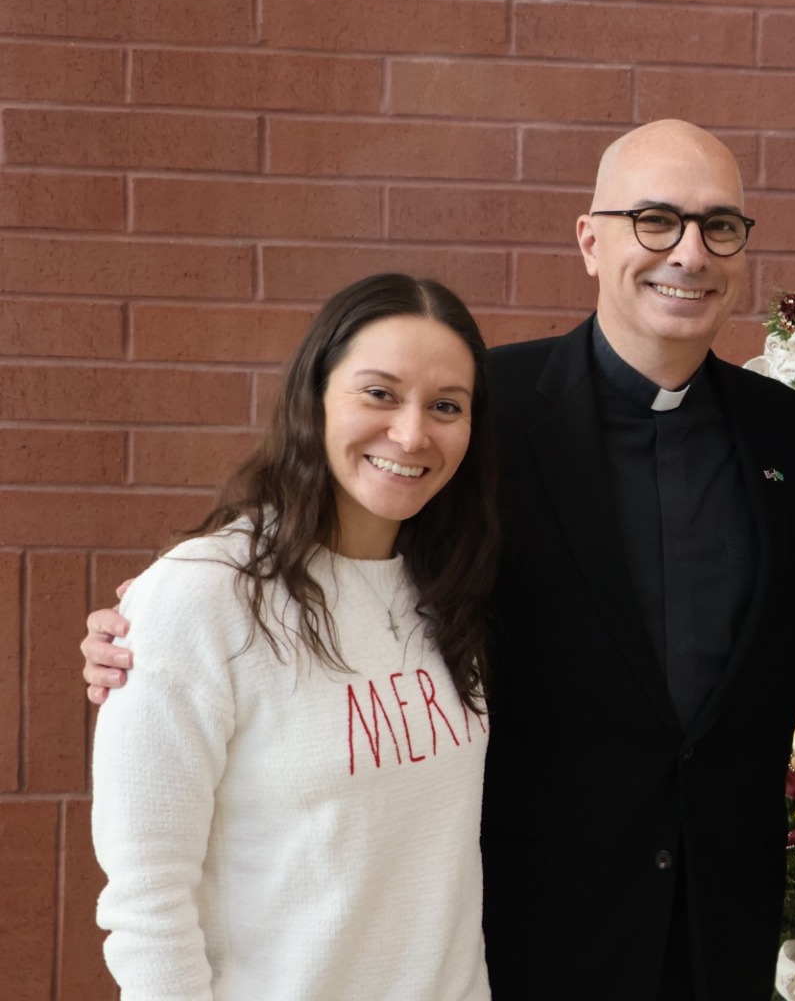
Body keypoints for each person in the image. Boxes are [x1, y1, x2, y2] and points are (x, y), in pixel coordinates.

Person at [84, 121, 795, 1000]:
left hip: (718, 936)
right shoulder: (481, 416)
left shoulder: (792, 439)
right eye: (654, 220)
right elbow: (334, 534)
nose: (689, 252)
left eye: (720, 227)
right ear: (590, 240)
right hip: (522, 936)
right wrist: (147, 626)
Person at [90, 273, 498, 1000]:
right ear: (314, 394)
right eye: (379, 393)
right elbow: (147, 901)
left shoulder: (448, 590)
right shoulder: (204, 596)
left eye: (446, 406)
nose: (411, 432)